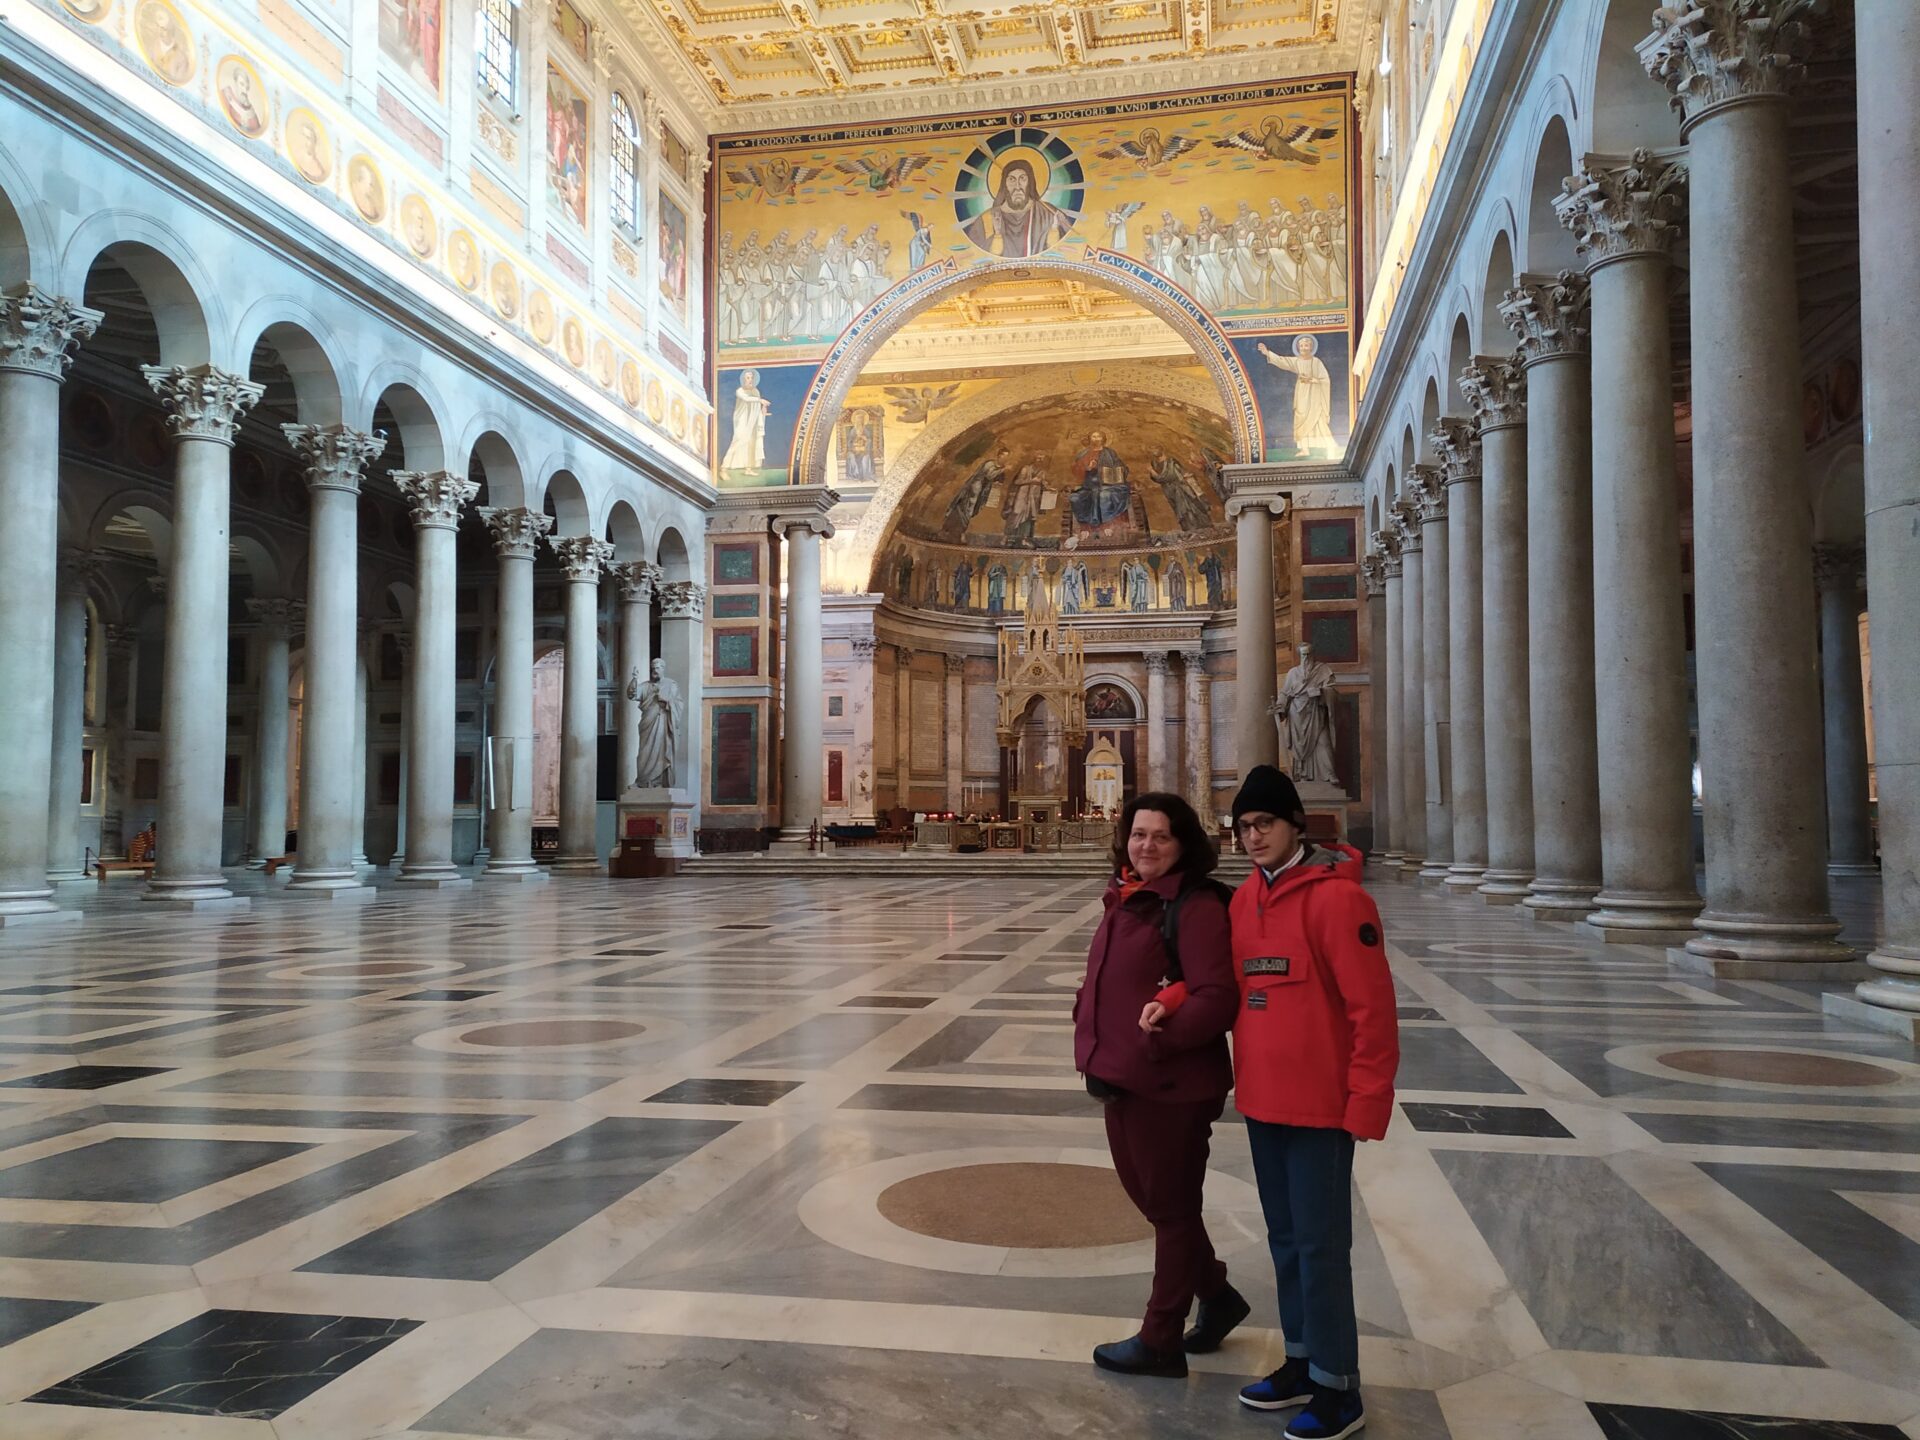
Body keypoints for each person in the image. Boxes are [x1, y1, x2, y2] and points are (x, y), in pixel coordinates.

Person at [1143, 765, 1397, 1439]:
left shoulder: (1339, 901)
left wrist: (1367, 1102)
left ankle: (1339, 1388)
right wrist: (1173, 998)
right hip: (1262, 1099)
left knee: (1321, 1247)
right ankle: (1302, 1361)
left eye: (1264, 824)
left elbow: (1373, 1012)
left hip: (1321, 1106)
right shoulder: (1244, 902)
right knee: (1284, 1241)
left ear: (1294, 826)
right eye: (1243, 827)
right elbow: (1220, 981)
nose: (1252, 837)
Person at [1075, 792, 1247, 1379]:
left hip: (1169, 1083)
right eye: (1138, 834)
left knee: (1171, 1211)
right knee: (1156, 1202)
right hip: (1121, 1074)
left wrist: (1157, 1041)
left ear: (1183, 844)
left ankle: (1160, 1338)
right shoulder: (1127, 895)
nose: (1146, 845)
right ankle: (1216, 1295)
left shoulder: (1194, 905)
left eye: (1160, 836)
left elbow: (1217, 997)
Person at [627, 659, 682, 789]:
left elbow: (678, 704)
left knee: (662, 751)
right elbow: (632, 694)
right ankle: (642, 781)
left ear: (663, 668)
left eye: (657, 668)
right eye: (653, 668)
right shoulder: (646, 686)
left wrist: (666, 700)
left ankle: (658, 782)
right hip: (647, 723)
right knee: (644, 752)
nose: (655, 671)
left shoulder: (671, 685)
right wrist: (634, 679)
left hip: (663, 722)